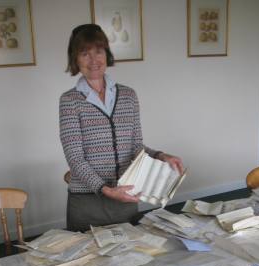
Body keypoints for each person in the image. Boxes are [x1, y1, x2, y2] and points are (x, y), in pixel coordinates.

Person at [60, 24, 183, 232]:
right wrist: (106, 190)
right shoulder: (69, 101)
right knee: (87, 262)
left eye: (98, 52)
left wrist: (161, 156)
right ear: (75, 59)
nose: (94, 60)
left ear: (106, 54)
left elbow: (135, 146)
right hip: (87, 204)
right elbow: (75, 158)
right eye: (84, 53)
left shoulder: (128, 96)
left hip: (125, 199)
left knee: (130, 259)